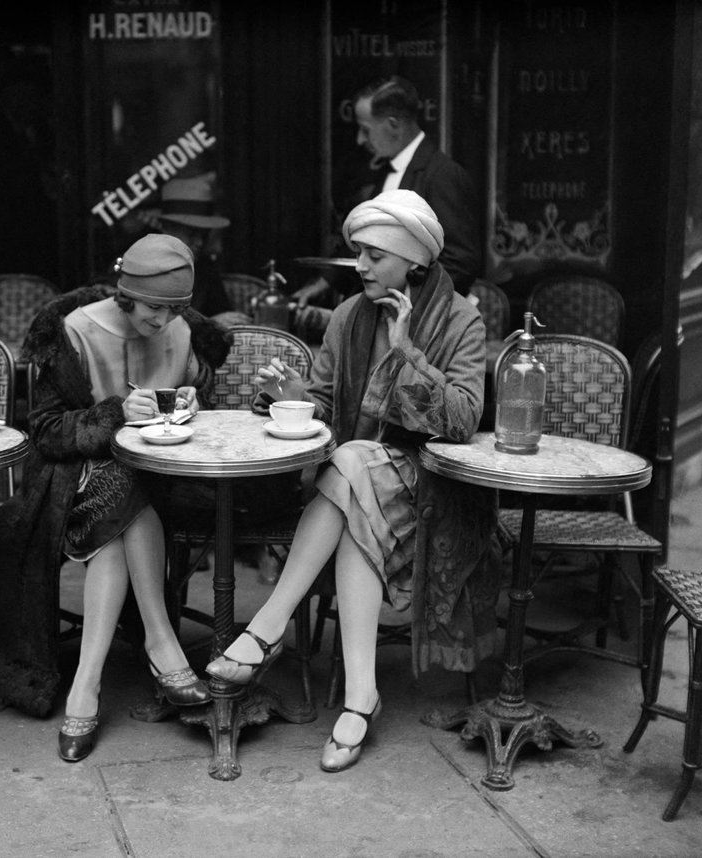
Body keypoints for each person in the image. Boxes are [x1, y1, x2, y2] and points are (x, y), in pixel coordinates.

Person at [204, 190, 499, 773]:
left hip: (432, 483)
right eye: (358, 252)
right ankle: (361, 695)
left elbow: (464, 420)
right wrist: (291, 395)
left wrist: (406, 349)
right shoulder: (347, 316)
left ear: (413, 260)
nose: (359, 265)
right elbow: (321, 403)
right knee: (354, 478)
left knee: (350, 464)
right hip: (358, 482)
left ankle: (268, 627)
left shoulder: (462, 320)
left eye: (373, 255)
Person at [0, 234, 231, 762]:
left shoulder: (182, 331)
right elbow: (45, 431)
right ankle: (161, 644)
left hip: (160, 478)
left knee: (125, 502)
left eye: (175, 309)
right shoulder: (74, 330)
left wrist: (192, 399)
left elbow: (191, 415)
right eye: (153, 308)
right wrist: (114, 414)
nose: (163, 320)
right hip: (72, 476)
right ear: (126, 294)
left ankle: (86, 685)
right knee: (123, 489)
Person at [296, 76, 484, 325]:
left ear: (393, 124)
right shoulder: (384, 172)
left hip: (422, 324)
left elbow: (461, 263)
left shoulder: (443, 175)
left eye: (365, 129)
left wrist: (404, 301)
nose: (360, 140)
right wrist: (325, 282)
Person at [149, 173, 250, 327]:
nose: (200, 242)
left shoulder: (204, 267)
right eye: (191, 234)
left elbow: (222, 312)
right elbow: (148, 325)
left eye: (204, 234)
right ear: (166, 228)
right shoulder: (140, 265)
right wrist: (206, 324)